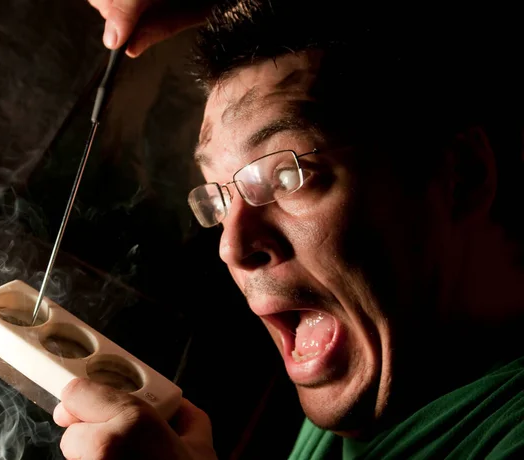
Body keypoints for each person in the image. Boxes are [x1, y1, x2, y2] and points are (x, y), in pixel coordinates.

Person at [53, 1, 524, 458]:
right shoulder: (388, 380)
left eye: (285, 175)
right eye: (218, 196)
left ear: (461, 176)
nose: (231, 246)